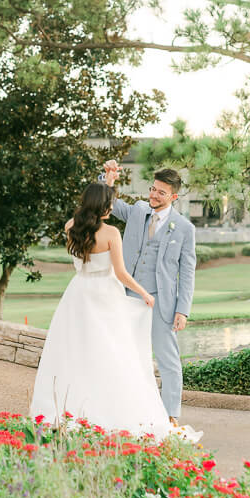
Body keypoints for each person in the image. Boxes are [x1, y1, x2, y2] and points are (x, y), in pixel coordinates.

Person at [29, 181, 202, 442]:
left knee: (75, 352)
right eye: (109, 202)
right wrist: (144, 293)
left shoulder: (70, 227)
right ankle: (108, 408)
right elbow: (121, 274)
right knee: (114, 353)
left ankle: (70, 408)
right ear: (102, 205)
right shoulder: (110, 233)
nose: (112, 206)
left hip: (77, 294)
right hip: (105, 295)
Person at [100, 159, 196, 427]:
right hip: (127, 298)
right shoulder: (138, 211)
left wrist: (182, 309)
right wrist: (108, 180)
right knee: (124, 354)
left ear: (173, 196)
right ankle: (124, 408)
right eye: (153, 189)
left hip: (162, 303)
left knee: (168, 360)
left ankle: (170, 415)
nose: (154, 195)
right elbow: (108, 206)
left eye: (161, 192)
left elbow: (187, 272)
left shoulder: (185, 229)